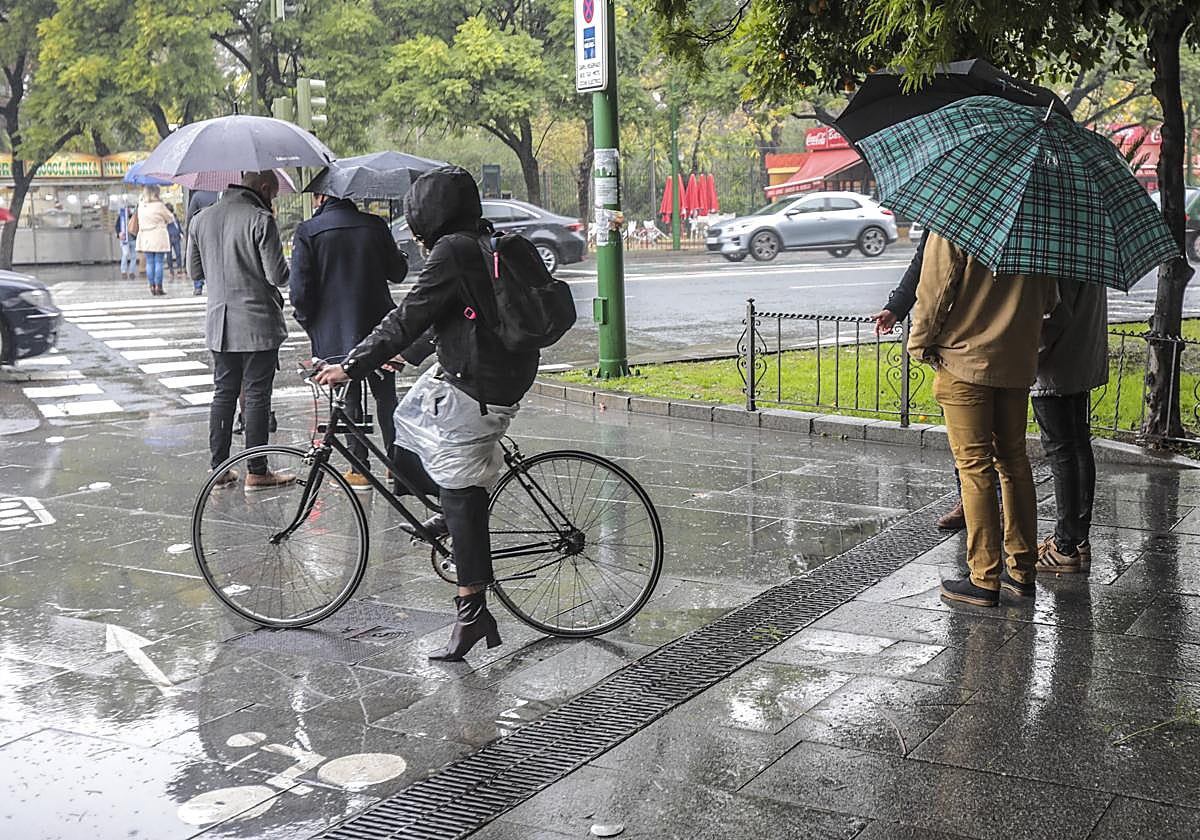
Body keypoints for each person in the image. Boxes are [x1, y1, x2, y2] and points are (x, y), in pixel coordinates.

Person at [315, 166, 539, 661]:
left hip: (481, 379)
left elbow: (409, 313)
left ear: (428, 216)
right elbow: (449, 311)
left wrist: (351, 366)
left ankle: (471, 610)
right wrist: (403, 356)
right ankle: (449, 510)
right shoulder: (477, 239)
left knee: (460, 484)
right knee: (410, 422)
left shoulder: (451, 250)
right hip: (485, 365)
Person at [908, 233, 1058, 607]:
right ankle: (1022, 571)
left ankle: (983, 576)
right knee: (1013, 461)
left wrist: (918, 344)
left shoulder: (957, 222)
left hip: (966, 361)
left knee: (974, 467)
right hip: (1016, 360)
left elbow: (935, 291)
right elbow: (1050, 300)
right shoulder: (1039, 227)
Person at [290, 192, 408, 490]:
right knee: (386, 396)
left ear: (320, 196)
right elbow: (398, 272)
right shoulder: (374, 225)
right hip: (378, 324)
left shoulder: (308, 231)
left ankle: (359, 468)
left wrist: (309, 322)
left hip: (333, 330)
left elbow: (300, 292)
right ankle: (397, 465)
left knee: (347, 400)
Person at [188, 171, 292, 490]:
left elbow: (195, 271)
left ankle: (220, 468)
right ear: (262, 188)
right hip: (258, 323)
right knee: (258, 395)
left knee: (224, 392)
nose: (272, 201)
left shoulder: (200, 219)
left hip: (219, 324)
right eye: (273, 195)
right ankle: (257, 470)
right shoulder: (260, 220)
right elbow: (278, 275)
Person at [1032, 279, 1107, 573]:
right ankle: (1077, 539)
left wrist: (1026, 351)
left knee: (1061, 450)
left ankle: (1064, 547)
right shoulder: (1089, 246)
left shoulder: (1062, 249)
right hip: (1079, 358)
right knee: (1077, 445)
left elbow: (1053, 315)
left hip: (1055, 366)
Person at [136, 186, 173, 295]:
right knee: (159, 262)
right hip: (158, 236)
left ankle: (151, 286)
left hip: (145, 236)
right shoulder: (159, 205)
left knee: (150, 262)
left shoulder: (141, 205)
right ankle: (159, 287)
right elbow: (170, 218)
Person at [114, 203, 138, 280]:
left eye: (131, 208)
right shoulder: (121, 217)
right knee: (125, 254)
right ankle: (123, 271)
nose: (129, 210)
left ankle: (131, 272)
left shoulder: (135, 217)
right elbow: (117, 226)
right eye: (128, 208)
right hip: (125, 239)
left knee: (134, 256)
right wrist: (119, 234)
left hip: (133, 239)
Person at [165, 204, 184, 280]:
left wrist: (181, 233)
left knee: (178, 253)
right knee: (169, 255)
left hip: (175, 237)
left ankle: (178, 269)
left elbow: (178, 226)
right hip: (169, 237)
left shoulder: (175, 217)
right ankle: (171, 270)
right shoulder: (165, 218)